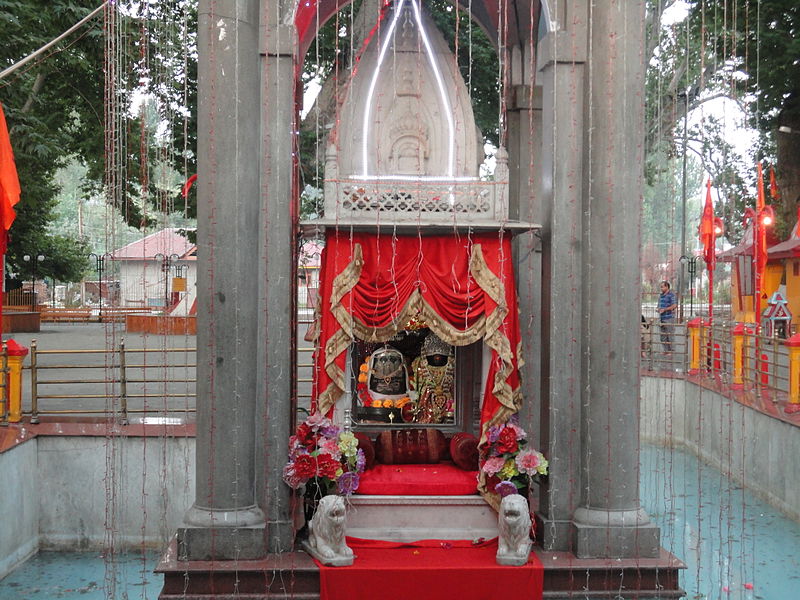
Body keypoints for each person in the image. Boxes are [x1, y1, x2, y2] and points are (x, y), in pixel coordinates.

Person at [658, 281, 677, 353]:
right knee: (663, 335)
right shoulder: (661, 296)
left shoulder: (671, 295)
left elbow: (674, 305)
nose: (661, 288)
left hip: (669, 317)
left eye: (662, 287)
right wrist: (658, 309)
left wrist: (665, 309)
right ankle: (666, 350)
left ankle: (671, 350)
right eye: (661, 287)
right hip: (662, 318)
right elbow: (658, 305)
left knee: (670, 334)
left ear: (667, 287)